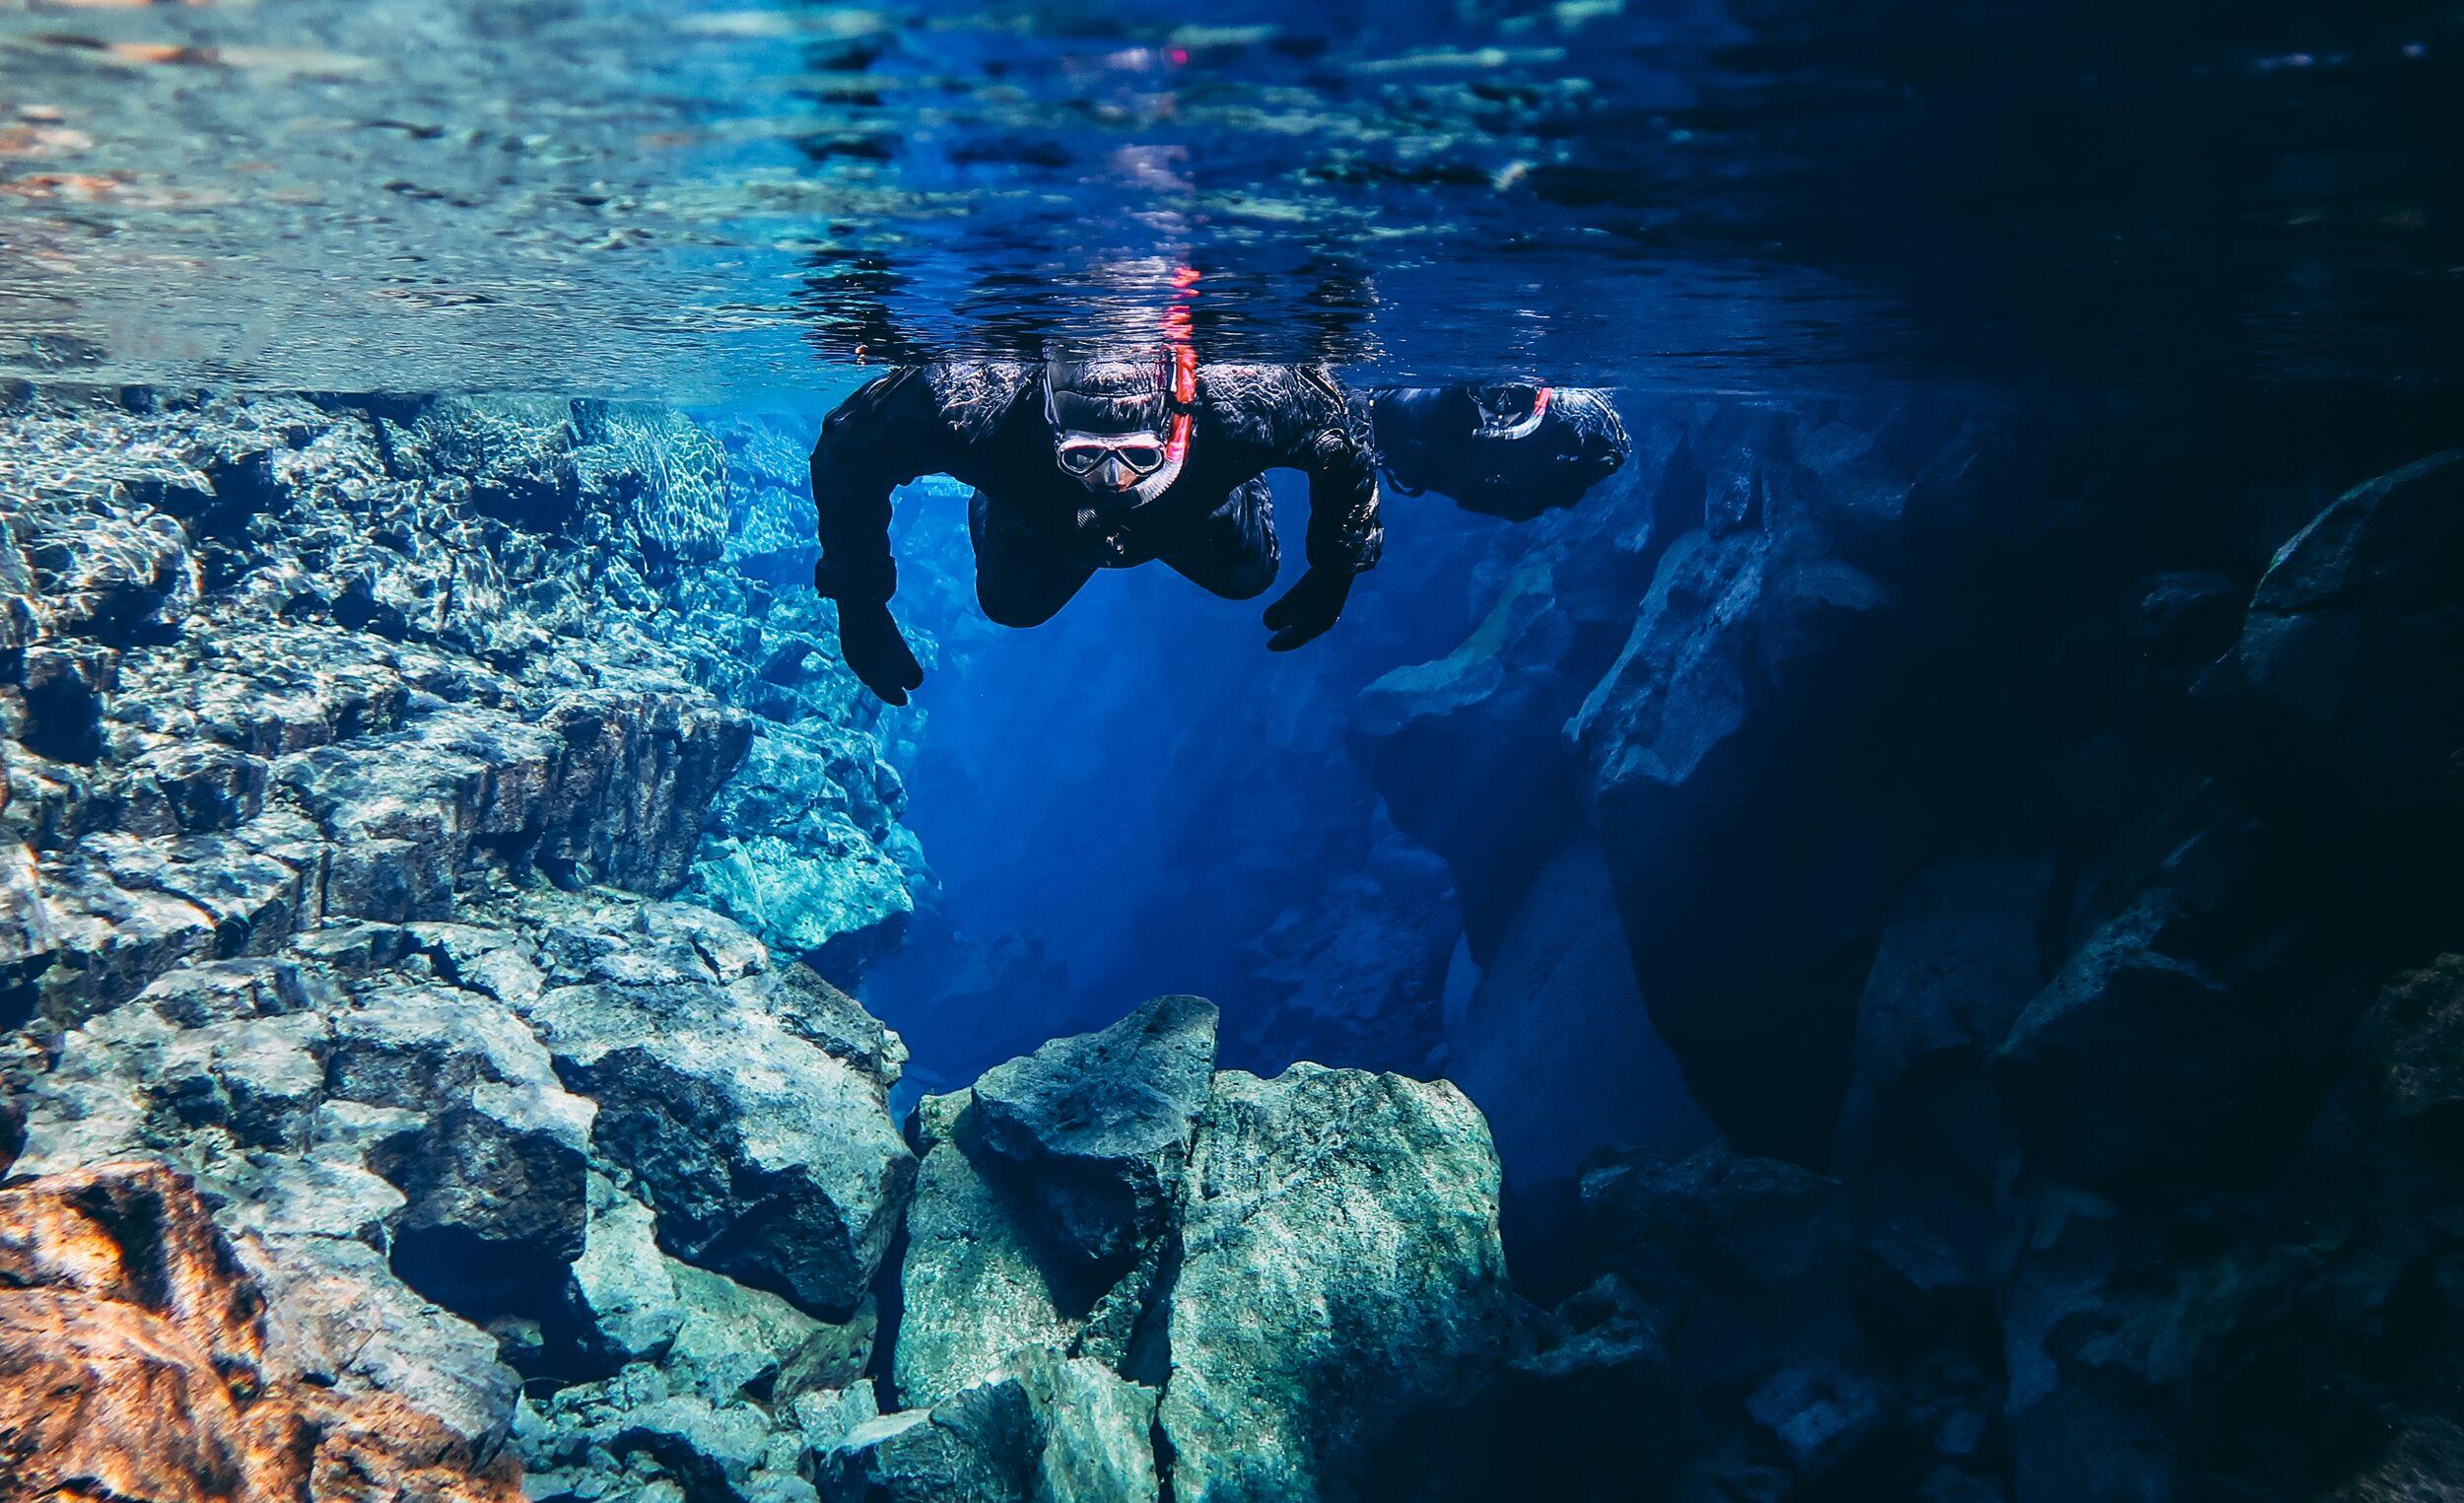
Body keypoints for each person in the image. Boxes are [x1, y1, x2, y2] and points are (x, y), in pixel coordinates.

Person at [809, 354, 1381, 704]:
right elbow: (845, 449)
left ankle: (1228, 480)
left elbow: (1346, 439)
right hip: (1037, 512)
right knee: (1010, 605)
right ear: (1049, 421)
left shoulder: (1237, 402)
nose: (1112, 482)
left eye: (1136, 457)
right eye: (1083, 457)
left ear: (1174, 423)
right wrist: (858, 600)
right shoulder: (979, 404)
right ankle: (1007, 496)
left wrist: (1339, 564)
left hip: (1194, 500)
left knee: (1251, 576)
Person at [1366, 381, 1630, 520]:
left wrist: (1583, 475)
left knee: (1527, 503)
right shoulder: (1436, 407)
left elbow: (1615, 446)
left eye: (1509, 403)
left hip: (1528, 472)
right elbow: (1375, 405)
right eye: (1489, 403)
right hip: (1458, 457)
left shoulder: (1573, 408)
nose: (1496, 419)